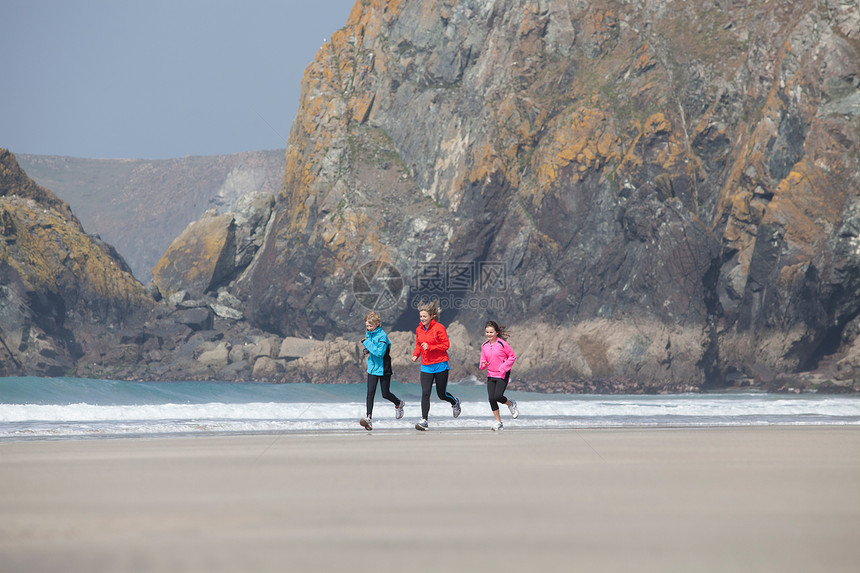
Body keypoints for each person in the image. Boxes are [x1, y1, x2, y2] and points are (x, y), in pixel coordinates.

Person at [411, 299, 461, 430]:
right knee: (425, 393)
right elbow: (418, 344)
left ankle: (455, 402)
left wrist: (430, 347)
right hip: (426, 365)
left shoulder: (439, 328)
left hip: (440, 364)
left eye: (424, 316)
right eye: (421, 316)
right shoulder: (418, 329)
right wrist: (416, 354)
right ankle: (424, 421)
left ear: (431, 316)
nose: (422, 318)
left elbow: (446, 345)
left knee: (441, 394)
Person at [359, 311, 405, 431]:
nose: (368, 328)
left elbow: (380, 353)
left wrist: (367, 343)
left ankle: (398, 403)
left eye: (371, 326)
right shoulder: (369, 334)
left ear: (377, 324)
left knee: (385, 394)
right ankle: (369, 419)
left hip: (384, 368)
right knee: (370, 393)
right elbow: (372, 349)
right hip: (372, 368)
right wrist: (366, 350)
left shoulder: (383, 336)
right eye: (367, 326)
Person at [479, 320, 519, 431]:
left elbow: (512, 357)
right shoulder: (484, 345)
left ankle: (511, 404)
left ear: (496, 332)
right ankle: (499, 422)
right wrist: (482, 364)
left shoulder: (502, 344)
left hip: (502, 374)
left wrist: (503, 367)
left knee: (497, 396)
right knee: (491, 398)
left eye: (491, 332)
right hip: (491, 374)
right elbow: (483, 359)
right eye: (487, 332)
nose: (489, 334)